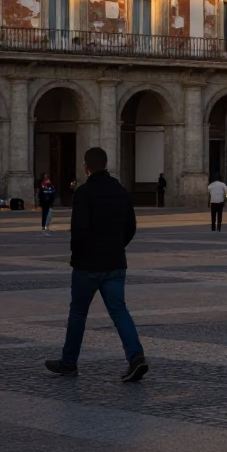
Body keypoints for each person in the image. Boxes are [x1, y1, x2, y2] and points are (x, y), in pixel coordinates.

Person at [45, 147, 147, 383]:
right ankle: (136, 357)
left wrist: (77, 256)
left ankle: (69, 363)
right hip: (114, 262)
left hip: (88, 265)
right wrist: (117, 246)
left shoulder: (84, 192)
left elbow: (79, 230)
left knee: (78, 313)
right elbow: (131, 226)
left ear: (86, 166)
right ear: (106, 164)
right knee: (120, 311)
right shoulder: (121, 191)